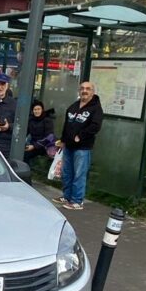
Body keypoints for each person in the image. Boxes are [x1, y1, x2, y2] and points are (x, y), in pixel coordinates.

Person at [53, 82, 103, 211]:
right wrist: (63, 140)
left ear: (93, 92)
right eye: (82, 88)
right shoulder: (74, 106)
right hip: (68, 145)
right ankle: (67, 196)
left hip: (82, 147)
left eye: (88, 89)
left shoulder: (96, 108)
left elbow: (95, 126)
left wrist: (81, 136)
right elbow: (67, 124)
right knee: (67, 172)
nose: (84, 91)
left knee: (79, 174)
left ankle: (77, 201)